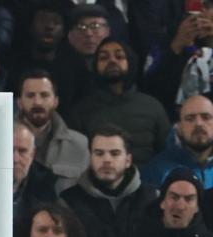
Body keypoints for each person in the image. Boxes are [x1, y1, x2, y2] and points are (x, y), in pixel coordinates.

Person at [67, 38, 171, 166]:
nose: (112, 61)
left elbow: (167, 154)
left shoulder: (152, 107)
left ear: (130, 62)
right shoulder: (81, 111)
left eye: (119, 56)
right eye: (104, 58)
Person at [16, 69, 89, 187]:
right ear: (19, 102)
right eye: (30, 95)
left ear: (55, 101)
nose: (37, 102)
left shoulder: (79, 145)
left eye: (44, 95)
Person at [142, 95, 213, 189]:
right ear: (179, 128)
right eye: (190, 119)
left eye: (206, 117)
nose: (198, 124)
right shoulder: (158, 169)